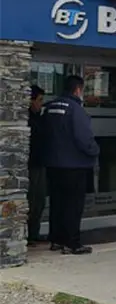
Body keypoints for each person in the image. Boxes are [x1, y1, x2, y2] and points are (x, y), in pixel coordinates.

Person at [41, 75, 100, 255]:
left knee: (57, 203)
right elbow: (84, 139)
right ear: (77, 90)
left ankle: (56, 239)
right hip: (74, 166)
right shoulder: (76, 110)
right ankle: (72, 243)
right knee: (73, 206)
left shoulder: (49, 107)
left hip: (53, 164)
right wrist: (95, 150)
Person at [27, 85, 46, 245]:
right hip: (31, 165)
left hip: (41, 163)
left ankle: (34, 233)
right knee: (31, 201)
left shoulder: (40, 118)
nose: (41, 104)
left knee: (39, 201)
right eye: (39, 100)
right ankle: (28, 235)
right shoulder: (27, 119)